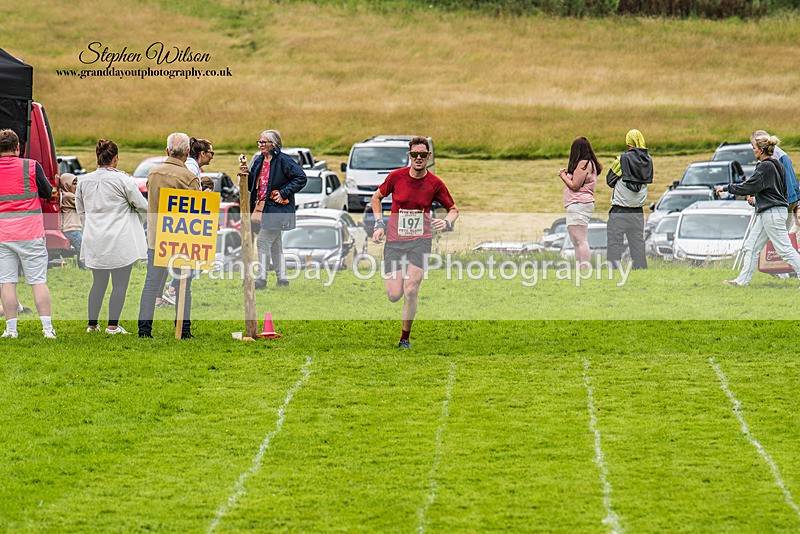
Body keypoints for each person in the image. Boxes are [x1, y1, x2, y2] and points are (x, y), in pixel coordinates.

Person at [371, 136, 458, 349]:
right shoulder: (396, 177)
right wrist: (379, 224)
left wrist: (446, 222)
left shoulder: (435, 183)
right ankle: (400, 281)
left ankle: (405, 339)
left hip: (421, 241)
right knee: (394, 295)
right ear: (409, 156)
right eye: (414, 154)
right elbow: (376, 198)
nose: (418, 158)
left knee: (411, 290)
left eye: (423, 155)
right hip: (395, 241)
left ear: (428, 156)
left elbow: (453, 210)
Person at [77, 139, 148, 334]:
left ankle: (92, 325)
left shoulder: (83, 181)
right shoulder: (124, 180)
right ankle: (112, 325)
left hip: (95, 238)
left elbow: (81, 210)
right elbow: (142, 206)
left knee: (98, 283)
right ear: (115, 158)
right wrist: (139, 220)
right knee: (120, 283)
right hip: (119, 238)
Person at [137, 132, 202, 339]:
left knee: (151, 284)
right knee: (183, 285)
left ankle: (144, 330)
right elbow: (195, 211)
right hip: (180, 239)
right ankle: (183, 329)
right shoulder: (189, 178)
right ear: (188, 153)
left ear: (167, 151)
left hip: (156, 237)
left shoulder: (153, 173)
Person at [716, 131, 800, 286]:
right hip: (771, 212)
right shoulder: (777, 165)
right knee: (751, 246)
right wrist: (758, 200)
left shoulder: (764, 167)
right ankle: (741, 282)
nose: (753, 151)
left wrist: (726, 188)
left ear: (761, 150)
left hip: (772, 213)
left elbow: (749, 186)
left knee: (784, 249)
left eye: (754, 148)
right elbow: (777, 191)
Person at [0, 129, 56, 339]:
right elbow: (48, 192)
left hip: (3, 234)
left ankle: (11, 330)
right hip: (30, 233)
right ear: (18, 148)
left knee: (7, 282)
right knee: (37, 281)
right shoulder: (31, 166)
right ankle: (47, 329)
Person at [240, 130, 306, 289]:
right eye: (259, 142)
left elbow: (301, 178)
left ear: (274, 144)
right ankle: (282, 279)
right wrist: (246, 174)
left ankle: (261, 279)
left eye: (264, 142)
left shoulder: (284, 160)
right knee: (275, 245)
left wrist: (283, 193)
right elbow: (252, 186)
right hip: (262, 208)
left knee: (263, 241)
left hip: (277, 210)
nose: (260, 145)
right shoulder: (259, 160)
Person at [160, 137, 215, 306]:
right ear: (202, 153)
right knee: (191, 261)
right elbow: (188, 195)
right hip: (185, 222)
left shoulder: (193, 166)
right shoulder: (191, 168)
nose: (212, 156)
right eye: (211, 153)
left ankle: (169, 290)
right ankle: (172, 290)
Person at [605, 129, 653, 270]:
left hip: (620, 210)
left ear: (628, 142)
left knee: (615, 244)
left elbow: (609, 180)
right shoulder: (648, 161)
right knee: (638, 244)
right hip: (638, 212)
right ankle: (641, 272)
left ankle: (613, 273)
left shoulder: (622, 159)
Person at [558, 136, 601, 267]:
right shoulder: (590, 164)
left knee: (581, 240)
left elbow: (575, 186)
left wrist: (563, 176)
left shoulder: (583, 164)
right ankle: (580, 268)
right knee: (576, 240)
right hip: (581, 204)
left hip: (578, 204)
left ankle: (584, 268)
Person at [59, 172, 85, 269]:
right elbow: (85, 203)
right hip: (71, 229)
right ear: (66, 184)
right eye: (73, 183)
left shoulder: (65, 195)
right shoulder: (69, 197)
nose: (76, 186)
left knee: (81, 249)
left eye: (77, 183)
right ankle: (84, 269)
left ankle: (83, 268)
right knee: (82, 249)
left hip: (73, 229)